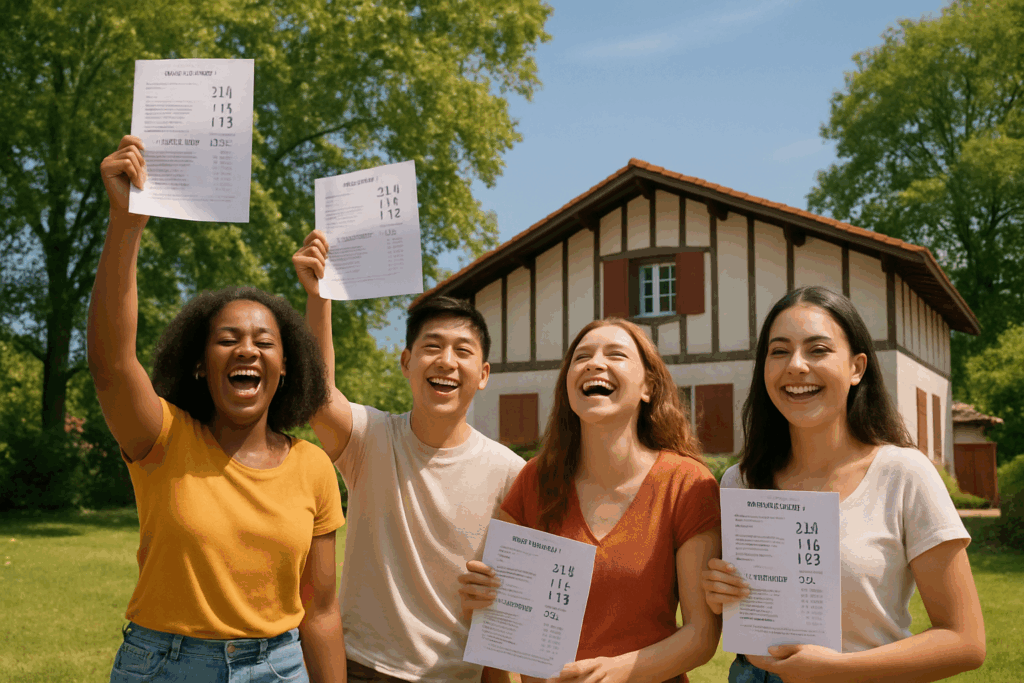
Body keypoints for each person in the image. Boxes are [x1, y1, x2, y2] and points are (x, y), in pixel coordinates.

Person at [89, 136, 347, 683]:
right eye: (227, 339)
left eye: (264, 342)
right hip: (162, 667)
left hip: (279, 667)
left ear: (284, 368)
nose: (246, 349)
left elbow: (321, 612)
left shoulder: (313, 467)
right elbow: (111, 364)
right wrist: (127, 222)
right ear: (201, 365)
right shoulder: (162, 437)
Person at [702, 286, 986, 683]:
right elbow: (738, 609)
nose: (796, 366)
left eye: (818, 350)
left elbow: (965, 642)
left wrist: (837, 670)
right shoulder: (740, 482)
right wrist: (720, 591)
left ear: (857, 368)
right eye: (779, 351)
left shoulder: (904, 473)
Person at [291, 230, 526, 683]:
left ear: (484, 375)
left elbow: (514, 595)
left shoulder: (509, 472)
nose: (446, 361)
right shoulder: (371, 438)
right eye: (432, 347)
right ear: (406, 362)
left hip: (460, 675)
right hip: (362, 666)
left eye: (463, 351)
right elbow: (319, 398)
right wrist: (320, 297)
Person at [458, 318, 722, 683]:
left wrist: (615, 672)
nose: (595, 363)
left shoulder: (687, 483)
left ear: (648, 386)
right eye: (582, 357)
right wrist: (481, 598)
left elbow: (702, 636)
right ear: (568, 385)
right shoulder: (535, 479)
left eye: (616, 354)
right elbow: (496, 620)